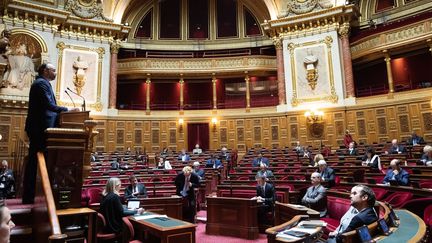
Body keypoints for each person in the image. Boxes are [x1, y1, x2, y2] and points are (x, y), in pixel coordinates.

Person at [22, 63, 78, 204]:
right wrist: (67, 110)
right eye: (53, 70)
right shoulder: (41, 84)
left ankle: (31, 196)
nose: (56, 73)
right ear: (45, 71)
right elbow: (49, 105)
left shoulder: (43, 83)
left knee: (36, 163)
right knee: (35, 163)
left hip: (42, 128)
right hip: (40, 129)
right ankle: (30, 196)